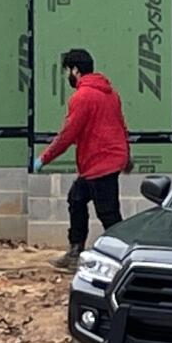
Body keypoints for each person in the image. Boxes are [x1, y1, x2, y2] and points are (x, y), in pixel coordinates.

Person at [39, 47, 130, 270]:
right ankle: (76, 250)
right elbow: (121, 124)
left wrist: (44, 158)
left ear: (75, 70)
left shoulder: (82, 97)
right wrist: (127, 154)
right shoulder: (110, 93)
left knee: (108, 214)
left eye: (68, 71)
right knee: (77, 199)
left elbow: (68, 134)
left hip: (100, 163)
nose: (67, 76)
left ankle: (125, 258)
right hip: (103, 161)